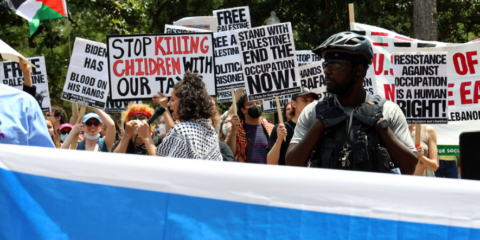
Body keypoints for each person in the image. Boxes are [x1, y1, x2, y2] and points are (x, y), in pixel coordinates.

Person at [286, 32, 417, 174]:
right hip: (327, 196)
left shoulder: (388, 111)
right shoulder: (313, 111)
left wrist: (381, 126)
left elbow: (410, 168)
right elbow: (292, 164)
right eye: (326, 64)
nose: (327, 71)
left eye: (335, 64)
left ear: (358, 70)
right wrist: (320, 124)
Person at [154, 71, 222, 161]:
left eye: (173, 100)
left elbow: (166, 166)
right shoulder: (209, 128)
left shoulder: (181, 130)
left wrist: (147, 138)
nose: (169, 104)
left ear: (184, 102)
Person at [267, 89, 318, 165]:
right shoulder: (281, 128)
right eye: (304, 101)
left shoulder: (317, 127)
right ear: (294, 104)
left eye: (311, 101)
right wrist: (279, 140)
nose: (309, 104)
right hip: (288, 176)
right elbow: (271, 163)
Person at [226, 93, 274, 164]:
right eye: (250, 104)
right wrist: (233, 130)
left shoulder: (271, 129)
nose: (255, 106)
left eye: (257, 103)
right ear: (243, 110)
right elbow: (230, 154)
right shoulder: (237, 130)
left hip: (268, 173)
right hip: (247, 174)